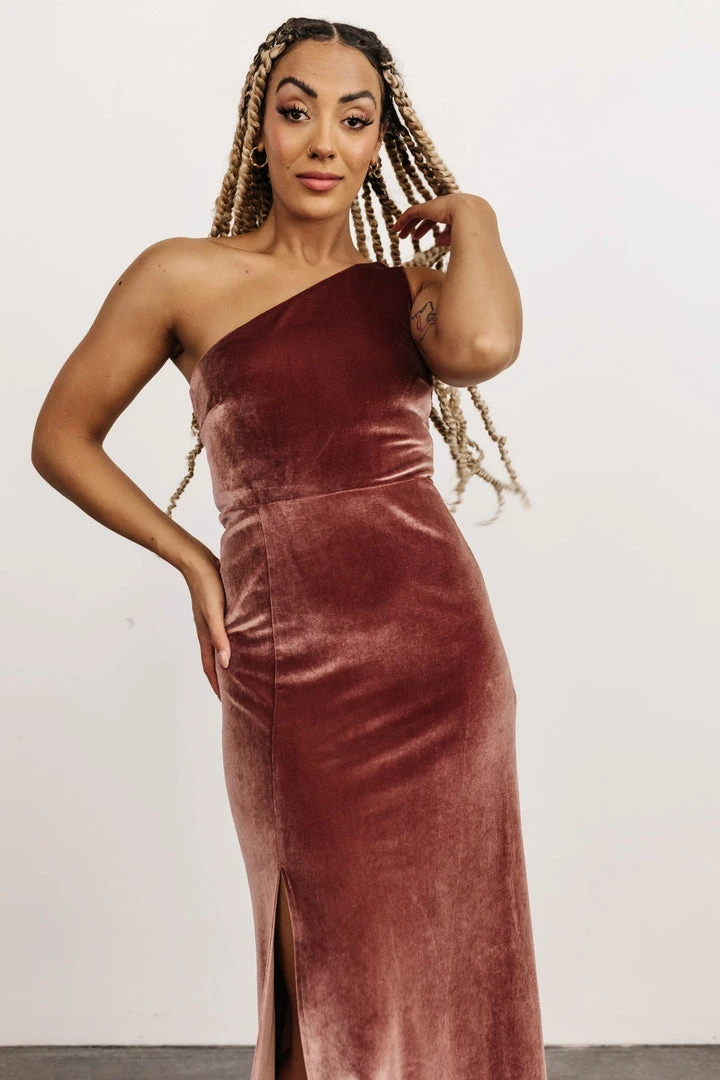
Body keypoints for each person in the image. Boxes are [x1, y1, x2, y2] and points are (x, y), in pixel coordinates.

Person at [31, 16, 546, 1080]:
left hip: (443, 667)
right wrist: (197, 560)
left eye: (355, 120)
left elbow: (487, 344)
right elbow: (60, 437)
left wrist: (477, 216)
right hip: (290, 669)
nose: (323, 142)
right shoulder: (182, 275)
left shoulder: (410, 294)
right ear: (259, 125)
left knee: (455, 962)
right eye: (298, 110)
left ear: (380, 142)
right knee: (322, 961)